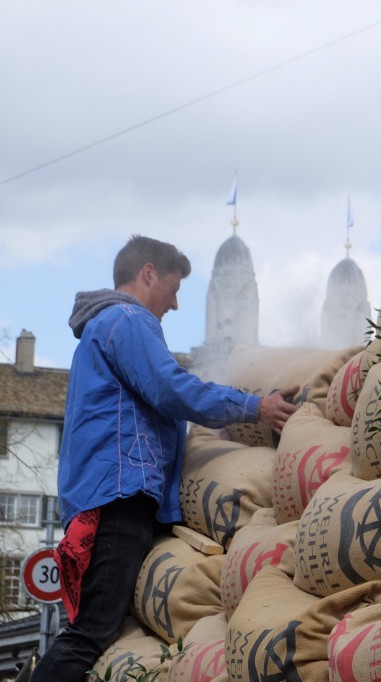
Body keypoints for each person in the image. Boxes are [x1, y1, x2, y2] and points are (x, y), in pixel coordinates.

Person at [30, 235, 298, 681]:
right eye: (173, 289)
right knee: (91, 633)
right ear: (148, 273)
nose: (174, 305)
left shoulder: (104, 329)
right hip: (120, 496)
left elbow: (153, 405)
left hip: (105, 495)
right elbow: (170, 388)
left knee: (103, 629)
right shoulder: (126, 319)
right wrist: (254, 407)